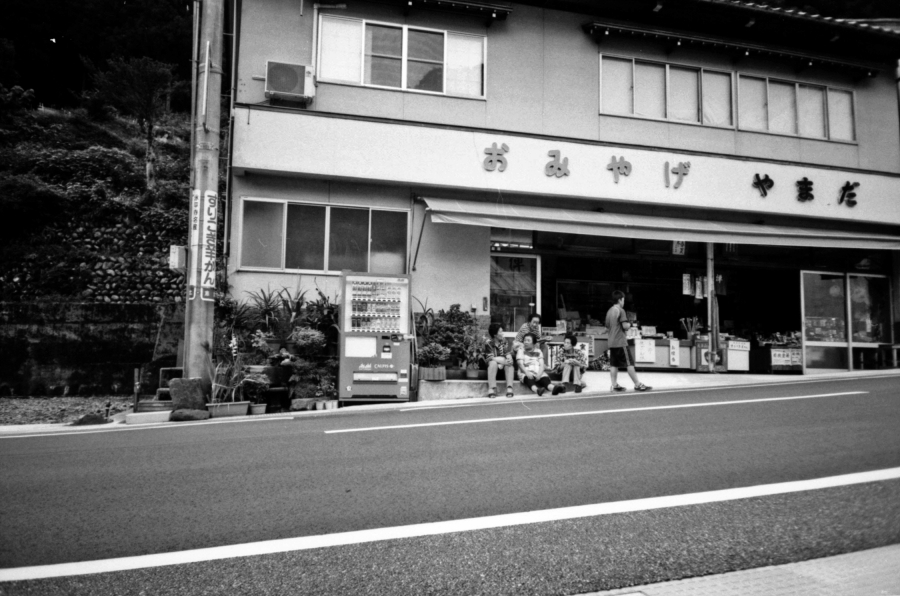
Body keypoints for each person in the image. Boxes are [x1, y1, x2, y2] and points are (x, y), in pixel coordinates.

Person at [604, 291, 651, 392]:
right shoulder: (621, 310)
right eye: (623, 300)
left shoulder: (609, 311)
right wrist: (630, 324)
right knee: (629, 363)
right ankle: (637, 384)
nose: (624, 302)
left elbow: (607, 326)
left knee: (614, 364)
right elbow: (625, 326)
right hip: (620, 341)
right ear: (620, 299)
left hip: (611, 342)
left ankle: (614, 385)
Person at [483, 323, 515, 398]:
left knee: (509, 364)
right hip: (492, 366)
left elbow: (507, 353)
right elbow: (491, 358)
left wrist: (509, 358)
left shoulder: (504, 341)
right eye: (500, 332)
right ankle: (492, 388)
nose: (502, 333)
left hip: (502, 365)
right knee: (493, 363)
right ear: (495, 334)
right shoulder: (488, 343)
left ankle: (509, 388)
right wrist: (503, 361)